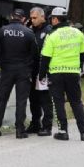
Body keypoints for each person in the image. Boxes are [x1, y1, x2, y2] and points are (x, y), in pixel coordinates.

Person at [38, 7, 84, 141]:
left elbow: (45, 57)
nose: (51, 21)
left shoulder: (52, 35)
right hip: (73, 73)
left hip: (56, 73)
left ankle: (63, 132)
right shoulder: (78, 33)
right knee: (76, 102)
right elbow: (82, 54)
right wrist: (79, 68)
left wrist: (42, 75)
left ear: (56, 19)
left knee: (58, 103)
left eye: (51, 18)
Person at [0, 9, 38, 139]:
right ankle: (20, 130)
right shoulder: (28, 33)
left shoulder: (2, 30)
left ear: (12, 17)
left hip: (6, 69)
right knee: (21, 100)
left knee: (1, 99)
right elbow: (35, 54)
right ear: (23, 19)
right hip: (23, 71)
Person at [26, 7, 53, 136]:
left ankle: (47, 125)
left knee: (45, 99)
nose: (32, 20)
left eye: (35, 18)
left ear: (42, 17)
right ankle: (35, 123)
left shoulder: (49, 31)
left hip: (44, 70)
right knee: (33, 98)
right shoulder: (30, 30)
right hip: (32, 69)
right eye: (31, 18)